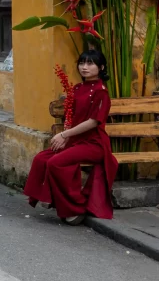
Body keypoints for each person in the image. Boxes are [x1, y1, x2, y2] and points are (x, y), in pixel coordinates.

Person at [23, 49, 118, 224]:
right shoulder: (78, 88)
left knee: (56, 162)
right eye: (82, 63)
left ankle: (76, 208)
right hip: (76, 140)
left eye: (90, 63)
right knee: (41, 158)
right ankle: (52, 198)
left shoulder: (101, 92)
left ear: (101, 67)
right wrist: (66, 136)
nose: (84, 67)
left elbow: (93, 122)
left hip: (94, 144)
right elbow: (71, 116)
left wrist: (64, 134)